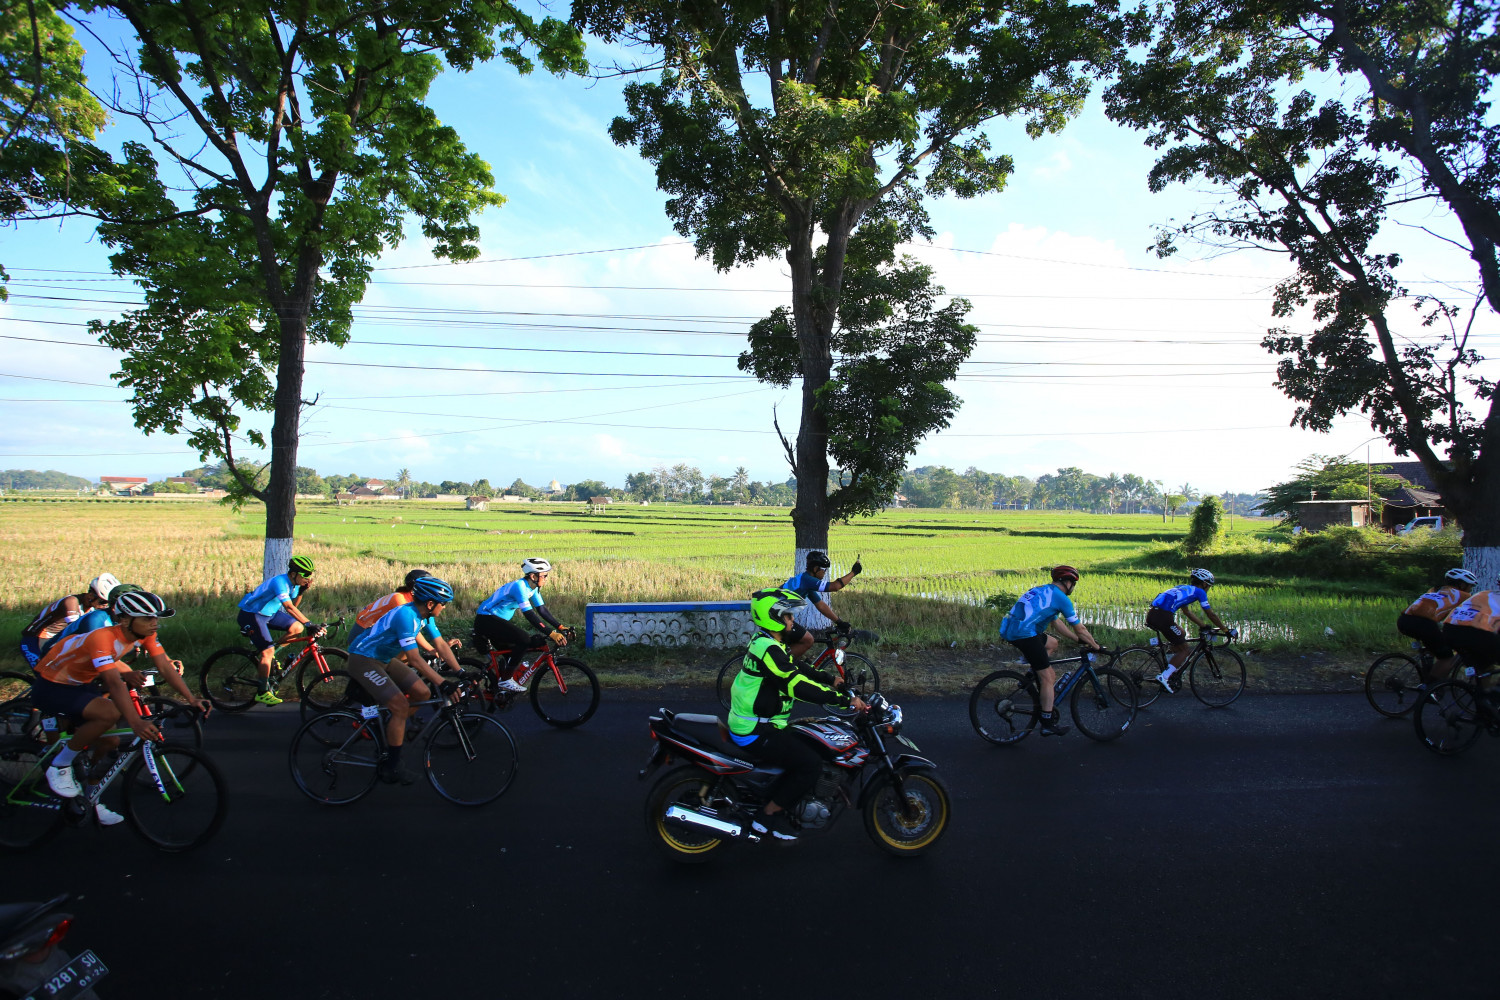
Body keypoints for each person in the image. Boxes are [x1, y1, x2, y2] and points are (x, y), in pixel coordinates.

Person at [31, 589, 211, 824]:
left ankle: (92, 801)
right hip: (52, 685)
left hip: (79, 684)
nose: (154, 623)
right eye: (147, 618)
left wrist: (191, 699)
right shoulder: (102, 638)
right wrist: (135, 722)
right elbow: (114, 683)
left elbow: (165, 667)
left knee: (111, 742)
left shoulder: (145, 635)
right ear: (125, 620)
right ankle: (60, 765)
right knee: (109, 713)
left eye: (155, 618)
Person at [727, 588, 867, 842]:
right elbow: (796, 685)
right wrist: (844, 699)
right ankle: (767, 816)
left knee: (809, 745)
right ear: (773, 618)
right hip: (755, 729)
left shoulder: (768, 643)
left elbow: (796, 666)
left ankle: (785, 800)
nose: (793, 621)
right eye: (788, 616)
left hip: (765, 723)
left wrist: (830, 679)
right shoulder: (768, 649)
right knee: (809, 764)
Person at [346, 575, 464, 785]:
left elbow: (441, 645)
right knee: (400, 706)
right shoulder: (405, 615)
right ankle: (392, 766)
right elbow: (415, 660)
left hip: (383, 659)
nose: (445, 607)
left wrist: (461, 672)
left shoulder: (425, 616)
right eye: (443, 603)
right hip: (363, 659)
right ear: (430, 604)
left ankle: (391, 729)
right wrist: (443, 683)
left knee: (422, 692)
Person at [997, 565, 1103, 736]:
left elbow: (1057, 623)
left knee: (1052, 643)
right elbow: (1080, 628)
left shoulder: (1044, 590)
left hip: (1013, 629)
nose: (1073, 587)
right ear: (1067, 582)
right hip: (1024, 634)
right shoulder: (1061, 598)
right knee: (1049, 676)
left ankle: (1031, 675)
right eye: (1073, 583)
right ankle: (1047, 723)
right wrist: (1096, 646)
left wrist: (1077, 640)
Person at [472, 558, 569, 693]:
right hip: (486, 619)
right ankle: (506, 680)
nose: (546, 579)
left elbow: (541, 610)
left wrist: (560, 627)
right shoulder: (520, 587)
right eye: (544, 576)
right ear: (533, 576)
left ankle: (499, 690)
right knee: (524, 639)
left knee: (512, 652)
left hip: (496, 621)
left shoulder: (533, 588)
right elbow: (529, 614)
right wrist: (551, 633)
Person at [235, 554, 321, 706]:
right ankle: (262, 692)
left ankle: (271, 657)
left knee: (297, 627)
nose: (308, 578)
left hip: (270, 614)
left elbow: (294, 605)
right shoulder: (279, 582)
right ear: (293, 574)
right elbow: (288, 608)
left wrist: (301, 591)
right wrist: (309, 623)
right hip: (252, 615)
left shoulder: (294, 584)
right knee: (267, 652)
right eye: (305, 575)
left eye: (310, 575)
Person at [1145, 568, 1233, 693]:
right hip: (1164, 617)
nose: (1208, 588)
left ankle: (1171, 670)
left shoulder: (1184, 589)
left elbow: (1187, 612)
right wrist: (1225, 629)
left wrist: (1203, 625)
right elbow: (1211, 614)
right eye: (1209, 586)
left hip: (1153, 614)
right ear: (1204, 584)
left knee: (1181, 633)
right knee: (1185, 650)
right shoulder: (1200, 592)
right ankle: (1164, 676)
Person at [349, 568, 462, 658]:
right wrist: (431, 649)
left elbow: (428, 625)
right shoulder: (400, 599)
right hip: (364, 630)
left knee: (407, 651)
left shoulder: (420, 603)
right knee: (405, 651)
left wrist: (440, 646)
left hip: (379, 631)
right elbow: (410, 629)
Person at [19, 574, 119, 669]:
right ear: (90, 595)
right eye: (103, 601)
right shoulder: (71, 602)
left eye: (108, 603)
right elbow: (77, 628)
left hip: (54, 640)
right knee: (43, 672)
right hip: (35, 639)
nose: (105, 606)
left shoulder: (92, 607)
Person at [780, 551, 862, 661]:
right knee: (808, 640)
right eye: (824, 569)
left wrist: (839, 622)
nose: (824, 572)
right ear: (815, 569)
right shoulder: (807, 580)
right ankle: (783, 664)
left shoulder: (805, 580)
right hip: (777, 616)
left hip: (779, 615)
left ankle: (787, 663)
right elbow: (835, 586)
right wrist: (853, 573)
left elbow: (820, 605)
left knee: (794, 644)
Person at [1398, 568, 1477, 680]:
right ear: (1462, 585)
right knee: (1447, 657)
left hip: (1403, 620)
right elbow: (1468, 616)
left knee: (1434, 644)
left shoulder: (1435, 589)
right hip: (1424, 624)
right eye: (1470, 586)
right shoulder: (1464, 596)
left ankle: (1427, 670)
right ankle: (1432, 686)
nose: (1471, 589)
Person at [41, 582, 142, 656]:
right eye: (134, 610)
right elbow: (102, 653)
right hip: (53, 662)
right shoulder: (95, 619)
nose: (104, 605)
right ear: (115, 607)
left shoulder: (116, 620)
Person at [1441, 583, 1500, 675]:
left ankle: (1432, 682)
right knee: (1485, 668)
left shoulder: (1484, 593)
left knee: (1482, 666)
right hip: (1477, 633)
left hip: (1449, 628)